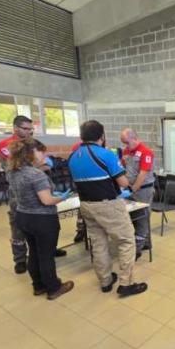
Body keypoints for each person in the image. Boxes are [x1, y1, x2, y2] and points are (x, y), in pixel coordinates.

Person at [67, 120, 148, 297]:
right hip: (108, 205)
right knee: (127, 241)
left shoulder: (72, 157)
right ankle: (126, 283)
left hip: (86, 205)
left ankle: (105, 280)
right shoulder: (106, 155)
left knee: (99, 242)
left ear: (82, 136)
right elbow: (123, 182)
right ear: (101, 136)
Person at [0, 116, 67, 274]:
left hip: (40, 186)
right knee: (18, 227)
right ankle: (20, 259)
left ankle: (49, 249)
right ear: (15, 128)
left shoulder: (33, 144)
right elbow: (19, 169)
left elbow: (42, 165)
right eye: (25, 129)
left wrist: (41, 166)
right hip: (20, 192)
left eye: (31, 129)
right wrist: (39, 166)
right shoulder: (6, 145)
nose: (29, 132)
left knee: (47, 221)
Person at [8, 138, 74, 300]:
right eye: (41, 152)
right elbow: (47, 201)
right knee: (46, 255)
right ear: (31, 153)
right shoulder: (36, 175)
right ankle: (53, 288)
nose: (44, 155)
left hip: (23, 216)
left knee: (34, 252)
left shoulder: (13, 171)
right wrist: (61, 197)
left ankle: (38, 286)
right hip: (42, 219)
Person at [119, 128, 155, 257]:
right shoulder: (126, 151)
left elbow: (142, 175)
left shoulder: (146, 152)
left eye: (127, 142)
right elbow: (123, 168)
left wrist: (132, 190)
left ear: (134, 138)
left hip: (143, 190)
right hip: (129, 189)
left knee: (143, 218)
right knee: (134, 217)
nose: (125, 146)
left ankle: (138, 248)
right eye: (123, 143)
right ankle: (146, 242)